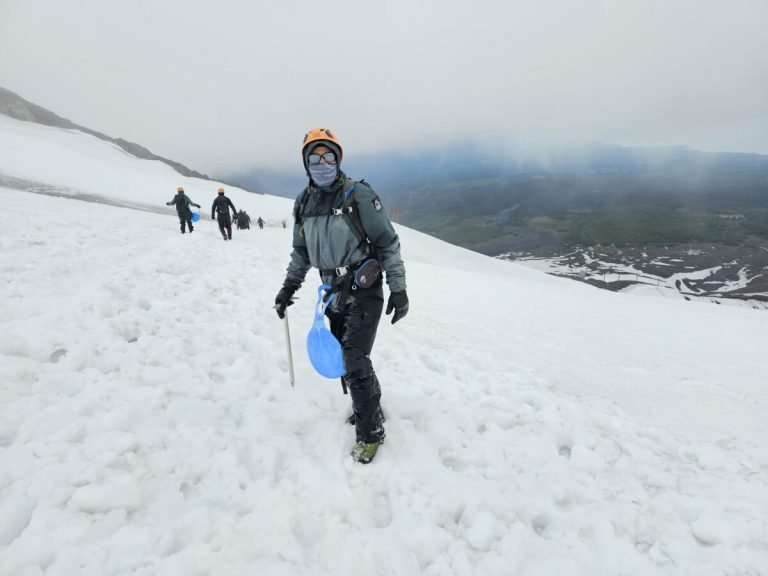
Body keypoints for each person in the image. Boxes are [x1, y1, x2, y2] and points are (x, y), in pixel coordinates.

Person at [274, 127, 408, 464]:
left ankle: (370, 433)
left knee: (354, 357)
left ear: (338, 159)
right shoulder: (303, 203)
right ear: (306, 163)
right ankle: (370, 405)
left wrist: (398, 288)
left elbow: (387, 242)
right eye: (315, 158)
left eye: (328, 156)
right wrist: (289, 287)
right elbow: (301, 252)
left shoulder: (357, 195)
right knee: (345, 359)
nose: (322, 163)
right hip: (332, 294)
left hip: (364, 289)